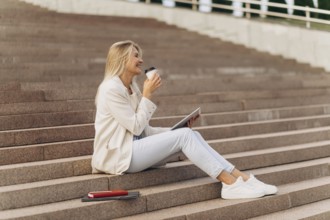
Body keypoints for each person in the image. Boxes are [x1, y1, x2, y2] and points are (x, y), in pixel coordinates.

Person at [91, 40, 278, 199]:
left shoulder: (131, 88)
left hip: (134, 148)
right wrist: (147, 96)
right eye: (135, 56)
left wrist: (176, 130)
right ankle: (230, 185)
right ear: (122, 59)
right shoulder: (111, 89)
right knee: (185, 136)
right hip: (118, 156)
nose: (141, 60)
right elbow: (136, 127)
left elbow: (145, 131)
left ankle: (242, 178)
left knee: (190, 133)